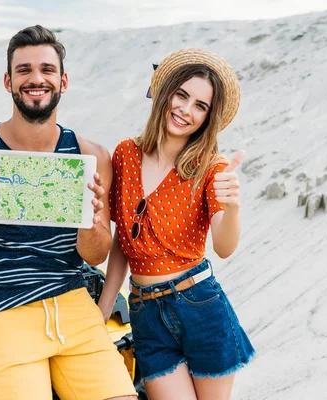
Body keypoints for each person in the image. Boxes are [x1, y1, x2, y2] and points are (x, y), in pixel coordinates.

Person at [0, 25, 137, 400]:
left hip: (74, 308)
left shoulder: (92, 155)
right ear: (8, 81)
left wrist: (91, 222)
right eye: (24, 70)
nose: (36, 78)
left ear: (63, 80)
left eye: (46, 69)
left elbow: (95, 255)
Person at [98, 48, 255, 400]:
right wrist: (107, 302)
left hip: (200, 306)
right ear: (165, 93)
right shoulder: (125, 154)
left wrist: (231, 204)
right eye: (182, 95)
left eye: (200, 106)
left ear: (207, 118)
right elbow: (125, 236)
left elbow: (225, 248)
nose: (186, 110)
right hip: (145, 313)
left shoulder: (212, 168)